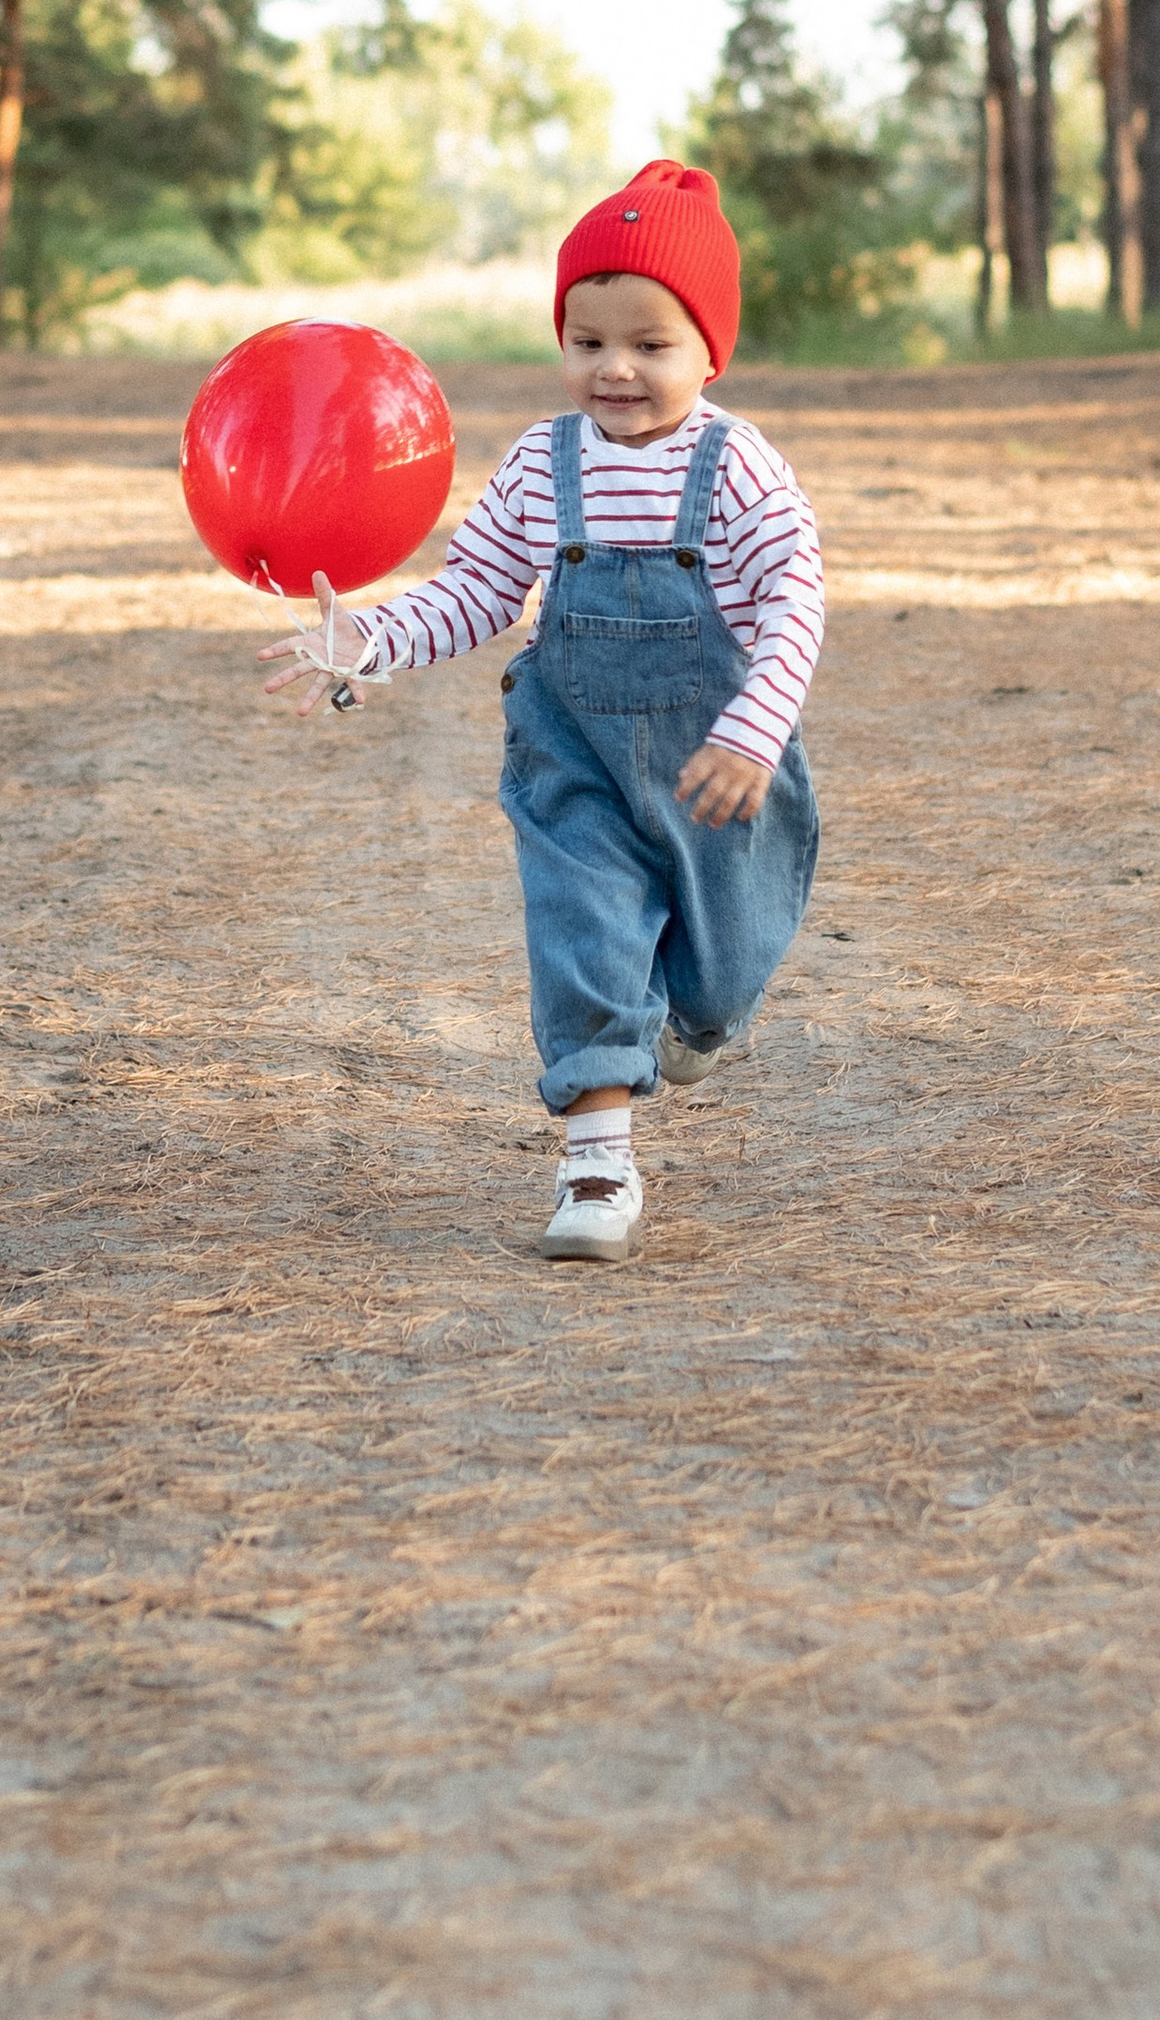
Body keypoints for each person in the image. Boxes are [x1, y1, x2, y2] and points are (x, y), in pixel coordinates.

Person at [260, 159, 824, 1264]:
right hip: (574, 759)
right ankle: (597, 1168)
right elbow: (475, 589)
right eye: (586, 339)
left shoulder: (740, 469)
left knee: (720, 975)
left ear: (710, 350)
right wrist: (370, 639)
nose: (614, 368)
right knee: (584, 937)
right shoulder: (539, 462)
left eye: (650, 344)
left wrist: (755, 728)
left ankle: (693, 1021)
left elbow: (792, 599)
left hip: (717, 764)